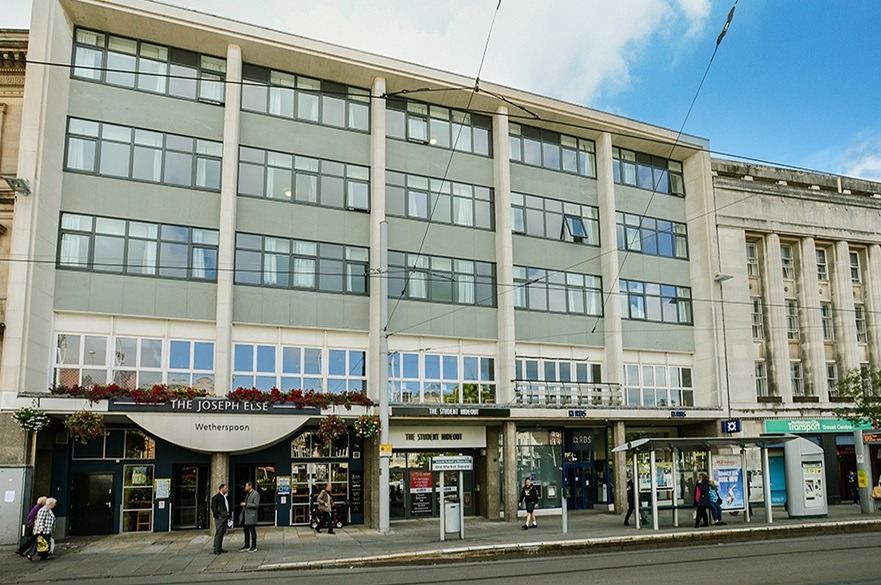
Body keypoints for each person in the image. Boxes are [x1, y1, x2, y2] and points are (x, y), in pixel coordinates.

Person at [238, 482, 260, 552]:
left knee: (252, 531)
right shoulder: (247, 494)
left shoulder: (255, 494)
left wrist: (246, 504)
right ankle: (246, 545)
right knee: (245, 530)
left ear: (250, 486)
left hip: (251, 515)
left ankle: (254, 546)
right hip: (245, 515)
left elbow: (256, 505)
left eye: (246, 486)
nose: (245, 487)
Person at [210, 483, 232, 555]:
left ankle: (220, 547)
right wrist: (217, 515)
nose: (227, 489)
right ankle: (216, 548)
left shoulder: (226, 497)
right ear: (221, 489)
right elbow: (214, 507)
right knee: (219, 532)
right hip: (220, 517)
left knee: (222, 532)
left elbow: (227, 507)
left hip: (225, 516)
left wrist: (229, 516)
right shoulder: (216, 497)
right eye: (226, 488)